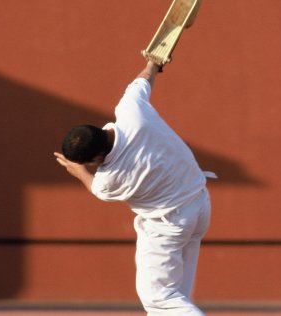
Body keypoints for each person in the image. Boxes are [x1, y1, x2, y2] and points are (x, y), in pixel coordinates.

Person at [54, 60, 212, 315]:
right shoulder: (131, 109)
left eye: (90, 164)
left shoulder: (110, 178)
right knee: (177, 296)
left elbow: (96, 188)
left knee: (159, 300)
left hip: (169, 224)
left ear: (96, 159)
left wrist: (78, 171)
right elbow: (143, 80)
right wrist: (153, 63)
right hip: (199, 202)